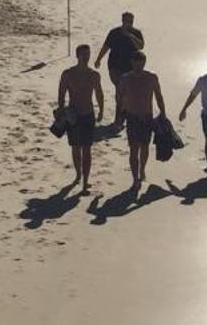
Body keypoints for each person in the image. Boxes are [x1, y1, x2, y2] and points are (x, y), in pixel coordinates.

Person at [114, 49, 167, 192]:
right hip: (132, 117)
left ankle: (142, 169)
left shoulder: (151, 77)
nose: (139, 67)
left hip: (147, 117)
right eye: (137, 64)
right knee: (133, 148)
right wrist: (119, 116)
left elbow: (159, 96)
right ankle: (135, 178)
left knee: (144, 146)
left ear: (145, 63)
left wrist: (163, 113)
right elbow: (118, 98)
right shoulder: (125, 78)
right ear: (132, 63)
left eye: (142, 64)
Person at [54, 44, 105, 188]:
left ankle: (85, 180)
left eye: (88, 54)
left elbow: (99, 93)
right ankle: (78, 174)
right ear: (77, 56)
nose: (86, 57)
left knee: (87, 148)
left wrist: (101, 110)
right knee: (75, 147)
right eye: (83, 54)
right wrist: (61, 110)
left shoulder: (94, 75)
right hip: (73, 115)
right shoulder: (68, 74)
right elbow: (61, 93)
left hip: (88, 114)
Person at [95, 12, 144, 123]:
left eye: (131, 21)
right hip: (114, 65)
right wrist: (99, 59)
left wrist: (131, 36)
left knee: (125, 92)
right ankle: (119, 117)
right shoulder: (114, 32)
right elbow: (106, 46)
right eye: (127, 21)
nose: (129, 23)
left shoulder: (136, 33)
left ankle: (123, 113)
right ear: (122, 20)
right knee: (120, 88)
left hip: (130, 67)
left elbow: (141, 46)